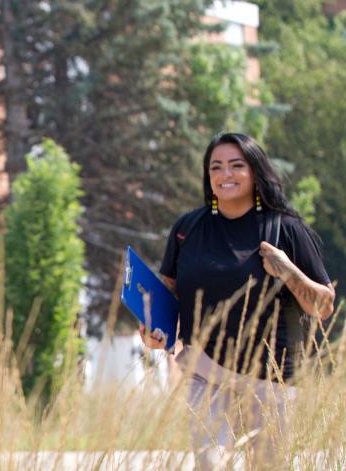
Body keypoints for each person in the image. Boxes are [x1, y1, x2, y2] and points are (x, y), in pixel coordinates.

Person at [141, 133, 334, 469]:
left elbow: (323, 306)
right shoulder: (188, 228)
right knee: (209, 463)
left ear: (255, 172)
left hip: (270, 378)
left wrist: (288, 271)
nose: (225, 174)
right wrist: (153, 331)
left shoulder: (285, 229)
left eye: (235, 166)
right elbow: (167, 295)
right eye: (216, 167)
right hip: (206, 369)